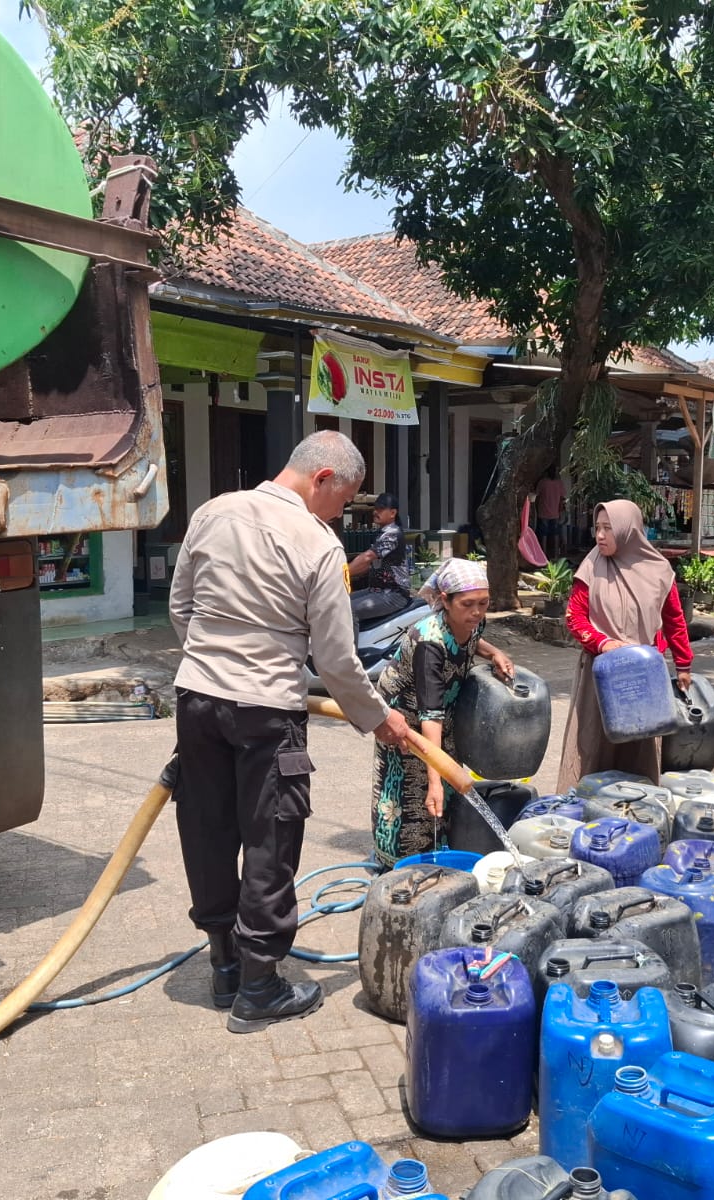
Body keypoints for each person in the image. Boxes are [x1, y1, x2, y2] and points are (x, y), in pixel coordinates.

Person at [170, 431, 411, 1034]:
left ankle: (224, 964)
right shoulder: (317, 542)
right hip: (267, 711)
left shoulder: (211, 512)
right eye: (343, 500)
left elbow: (181, 608)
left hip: (197, 697)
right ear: (322, 477)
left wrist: (212, 664)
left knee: (206, 825)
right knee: (270, 838)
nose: (341, 514)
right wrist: (379, 719)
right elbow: (334, 658)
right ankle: (258, 987)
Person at [370, 560, 516, 867]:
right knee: (411, 786)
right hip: (405, 719)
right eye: (467, 605)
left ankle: (441, 849)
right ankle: (396, 862)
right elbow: (429, 717)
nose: (476, 612)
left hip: (439, 711)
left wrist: (495, 653)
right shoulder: (430, 644)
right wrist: (434, 780)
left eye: (483, 603)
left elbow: (473, 640)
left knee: (447, 779)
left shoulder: (472, 621)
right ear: (445, 601)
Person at [558, 499, 693, 792]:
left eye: (608, 528)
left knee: (640, 749)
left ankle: (640, 813)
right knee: (593, 743)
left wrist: (683, 664)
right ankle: (585, 810)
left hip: (644, 676)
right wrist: (602, 643)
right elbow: (575, 617)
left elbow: (674, 620)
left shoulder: (658, 570)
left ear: (628, 530)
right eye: (597, 528)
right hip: (600, 673)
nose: (600, 536)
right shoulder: (592, 566)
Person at [347, 491, 412, 622]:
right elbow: (368, 564)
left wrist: (341, 572)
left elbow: (367, 557)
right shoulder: (382, 533)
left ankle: (350, 644)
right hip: (376, 590)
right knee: (337, 602)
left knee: (347, 610)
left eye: (381, 509)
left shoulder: (392, 534)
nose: (376, 512)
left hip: (394, 594)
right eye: (375, 508)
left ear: (393, 513)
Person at [535, 464, 568, 559]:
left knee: (543, 534)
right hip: (555, 513)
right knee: (556, 534)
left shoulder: (542, 483)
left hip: (543, 513)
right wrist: (563, 510)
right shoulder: (559, 483)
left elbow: (536, 495)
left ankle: (544, 554)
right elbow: (563, 498)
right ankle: (556, 555)